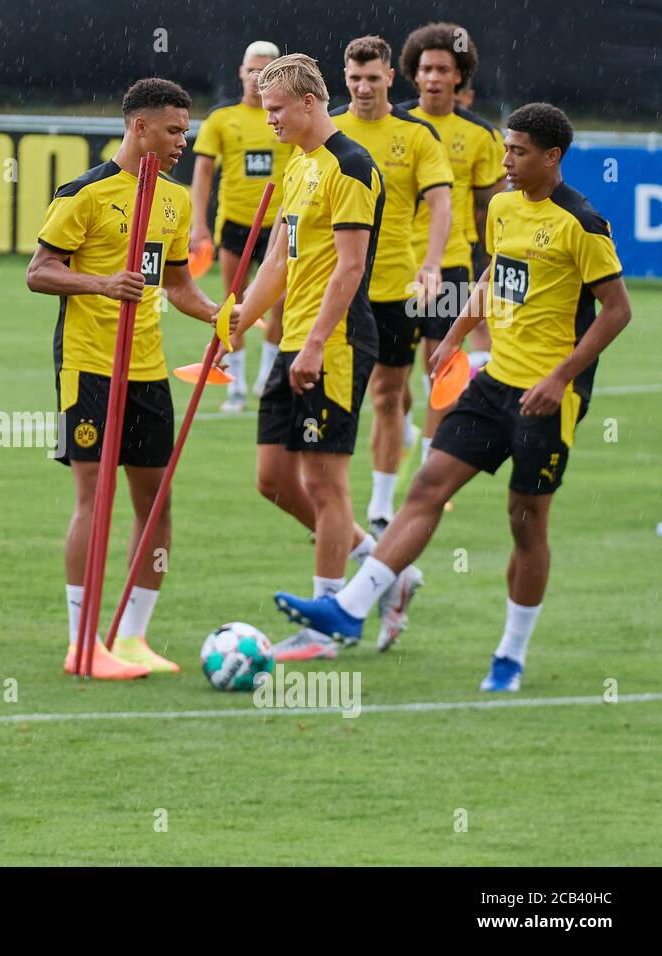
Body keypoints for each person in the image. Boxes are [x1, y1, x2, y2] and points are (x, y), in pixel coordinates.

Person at [274, 103, 631, 687]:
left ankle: (510, 654)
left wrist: (561, 376)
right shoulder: (504, 208)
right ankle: (350, 607)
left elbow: (617, 310)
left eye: (518, 151)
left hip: (548, 397)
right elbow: (495, 276)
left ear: (552, 157)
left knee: (525, 522)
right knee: (428, 485)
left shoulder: (582, 222)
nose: (507, 161)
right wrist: (457, 336)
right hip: (494, 383)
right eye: (506, 148)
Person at [27, 77, 223, 679]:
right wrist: (102, 284)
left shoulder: (175, 201)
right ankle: (81, 642)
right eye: (173, 130)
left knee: (156, 504)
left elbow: (178, 285)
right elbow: (40, 273)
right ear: (139, 127)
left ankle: (132, 635)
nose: (182, 142)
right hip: (88, 364)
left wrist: (221, 314)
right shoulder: (83, 193)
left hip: (147, 368)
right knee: (94, 499)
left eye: (186, 132)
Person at [226, 53, 404, 662]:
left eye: (275, 109)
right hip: (294, 340)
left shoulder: (351, 167)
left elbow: (351, 268)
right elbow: (277, 260)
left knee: (325, 485)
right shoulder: (298, 165)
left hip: (336, 341)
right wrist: (237, 321)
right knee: (273, 479)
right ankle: (387, 572)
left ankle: (325, 625)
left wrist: (318, 342)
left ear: (308, 103)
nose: (267, 118)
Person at [330, 35, 453, 540]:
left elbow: (441, 204)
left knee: (386, 395)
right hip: (338, 287)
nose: (363, 88)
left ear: (389, 78)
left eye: (373, 78)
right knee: (339, 397)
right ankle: (331, 499)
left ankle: (379, 509)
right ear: (345, 77)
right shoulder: (329, 130)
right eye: (355, 79)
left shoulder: (417, 135)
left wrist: (431, 264)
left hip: (396, 289)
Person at [398, 23, 507, 466]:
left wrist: (494, 263)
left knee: (439, 369)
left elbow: (495, 207)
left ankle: (429, 463)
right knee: (387, 379)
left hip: (451, 265)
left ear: (459, 75)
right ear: (413, 73)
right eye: (426, 68)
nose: (434, 77)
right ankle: (401, 425)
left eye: (444, 69)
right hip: (393, 265)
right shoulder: (395, 124)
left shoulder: (480, 135)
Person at [191, 40, 292, 412]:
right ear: (241, 71)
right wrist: (198, 224)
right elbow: (203, 172)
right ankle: (235, 386)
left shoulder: (285, 116)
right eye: (252, 69)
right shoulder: (221, 119)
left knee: (280, 302)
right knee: (234, 302)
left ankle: (268, 377)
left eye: (266, 70)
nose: (257, 77)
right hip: (235, 223)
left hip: (279, 224)